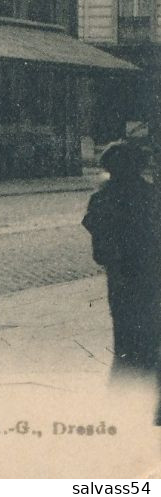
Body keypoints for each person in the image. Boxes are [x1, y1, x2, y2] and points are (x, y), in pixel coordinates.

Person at [82, 141, 161, 381]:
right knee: (150, 331)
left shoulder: (101, 199)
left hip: (120, 276)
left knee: (125, 334)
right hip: (151, 274)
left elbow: (99, 248)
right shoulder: (153, 196)